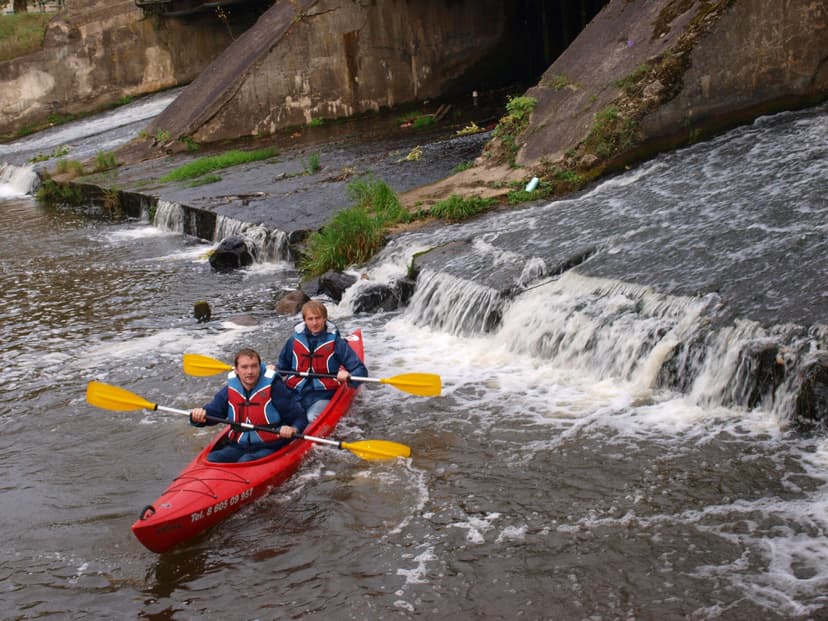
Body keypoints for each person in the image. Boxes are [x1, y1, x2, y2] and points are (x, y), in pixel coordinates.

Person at [190, 348, 307, 463]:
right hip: (238, 446)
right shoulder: (229, 391)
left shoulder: (274, 389)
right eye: (244, 367)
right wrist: (198, 416)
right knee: (213, 458)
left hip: (270, 446)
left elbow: (299, 417)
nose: (250, 371)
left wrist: (293, 428)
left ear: (260, 368)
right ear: (236, 370)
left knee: (246, 460)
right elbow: (212, 413)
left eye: (254, 366)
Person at [277, 300, 368, 422]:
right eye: (310, 319)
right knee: (278, 416)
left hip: (323, 395)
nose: (314, 323)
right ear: (305, 320)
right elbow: (282, 368)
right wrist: (272, 372)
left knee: (311, 418)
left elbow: (361, 371)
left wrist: (350, 376)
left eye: (318, 318)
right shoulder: (293, 341)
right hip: (295, 392)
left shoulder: (336, 342)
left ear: (325, 318)